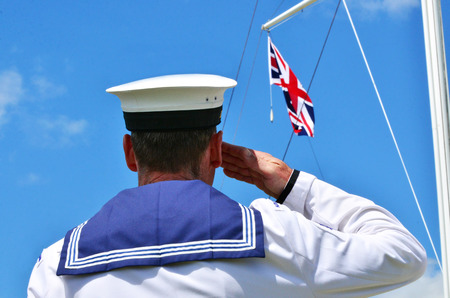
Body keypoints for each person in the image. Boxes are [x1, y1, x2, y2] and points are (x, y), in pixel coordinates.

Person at [28, 74, 427, 297]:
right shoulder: (275, 237)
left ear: (130, 152)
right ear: (216, 150)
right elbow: (403, 254)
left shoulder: (55, 268)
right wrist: (291, 185)